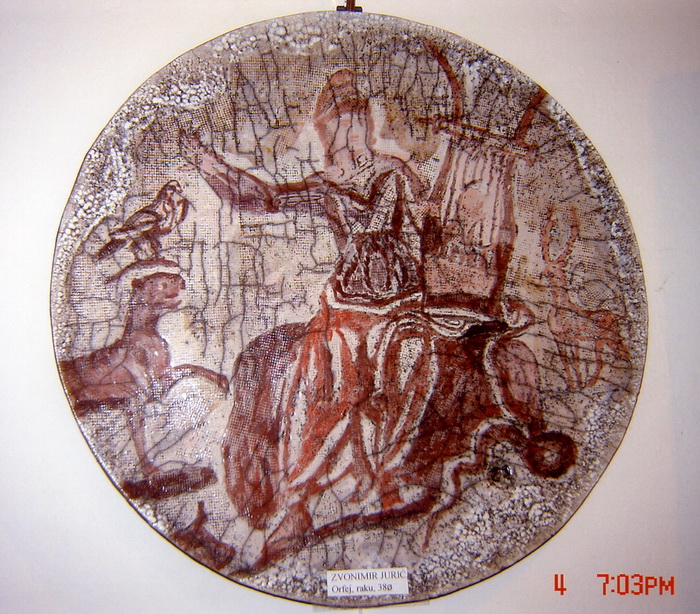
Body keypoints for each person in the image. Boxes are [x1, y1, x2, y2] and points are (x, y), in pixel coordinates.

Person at [183, 69, 575, 570]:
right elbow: (257, 199)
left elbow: (442, 226)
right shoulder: (322, 185)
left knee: (417, 359)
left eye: (357, 116)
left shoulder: (396, 173)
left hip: (405, 306)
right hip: (346, 308)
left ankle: (392, 473)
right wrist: (207, 162)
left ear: (367, 122)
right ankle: (299, 497)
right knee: (321, 368)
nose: (350, 128)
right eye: (339, 119)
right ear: (324, 128)